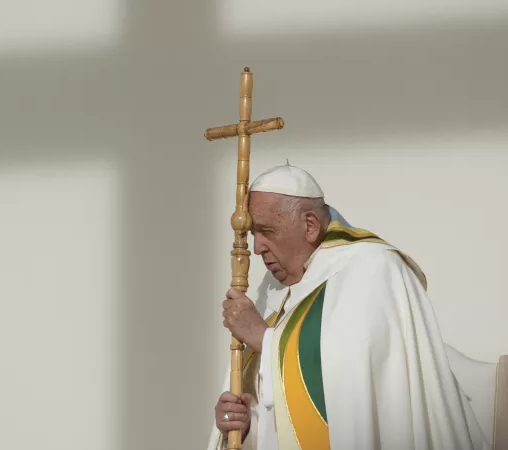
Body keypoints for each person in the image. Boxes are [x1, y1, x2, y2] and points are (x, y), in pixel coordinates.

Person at [207, 162, 489, 450]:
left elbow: (351, 388)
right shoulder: (273, 289)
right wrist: (242, 425)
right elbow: (275, 409)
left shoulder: (372, 268)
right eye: (254, 233)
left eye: (267, 231)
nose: (257, 248)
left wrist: (263, 339)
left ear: (310, 225)